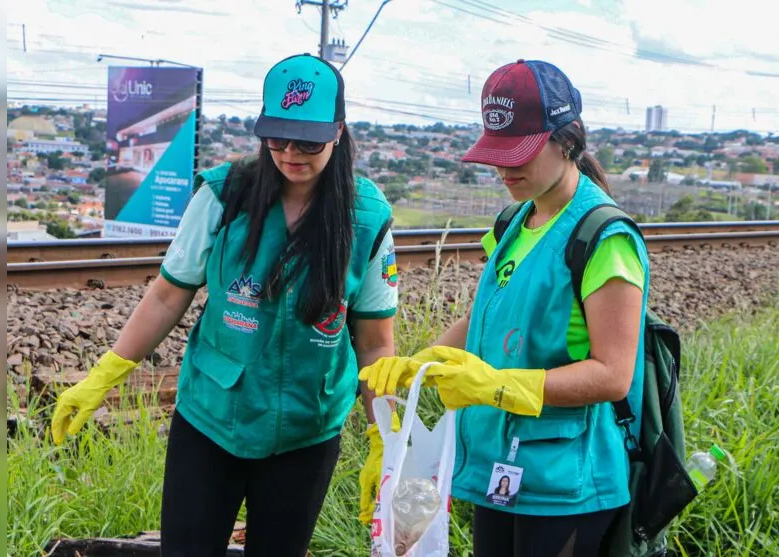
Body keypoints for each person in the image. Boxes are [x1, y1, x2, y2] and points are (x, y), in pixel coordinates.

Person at [50, 53, 399, 557]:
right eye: (277, 137)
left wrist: (381, 435)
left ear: (338, 131)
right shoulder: (223, 196)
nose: (290, 153)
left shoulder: (367, 219)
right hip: (212, 418)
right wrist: (106, 372)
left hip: (306, 429)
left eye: (308, 141)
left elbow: (374, 343)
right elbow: (169, 294)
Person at [360, 59, 650, 557]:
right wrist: (419, 364)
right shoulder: (513, 223)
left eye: (520, 153)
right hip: (499, 467)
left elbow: (613, 375)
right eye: (497, 153)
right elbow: (486, 320)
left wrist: (495, 386)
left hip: (567, 483)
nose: (504, 168)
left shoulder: (604, 239)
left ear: (569, 142)